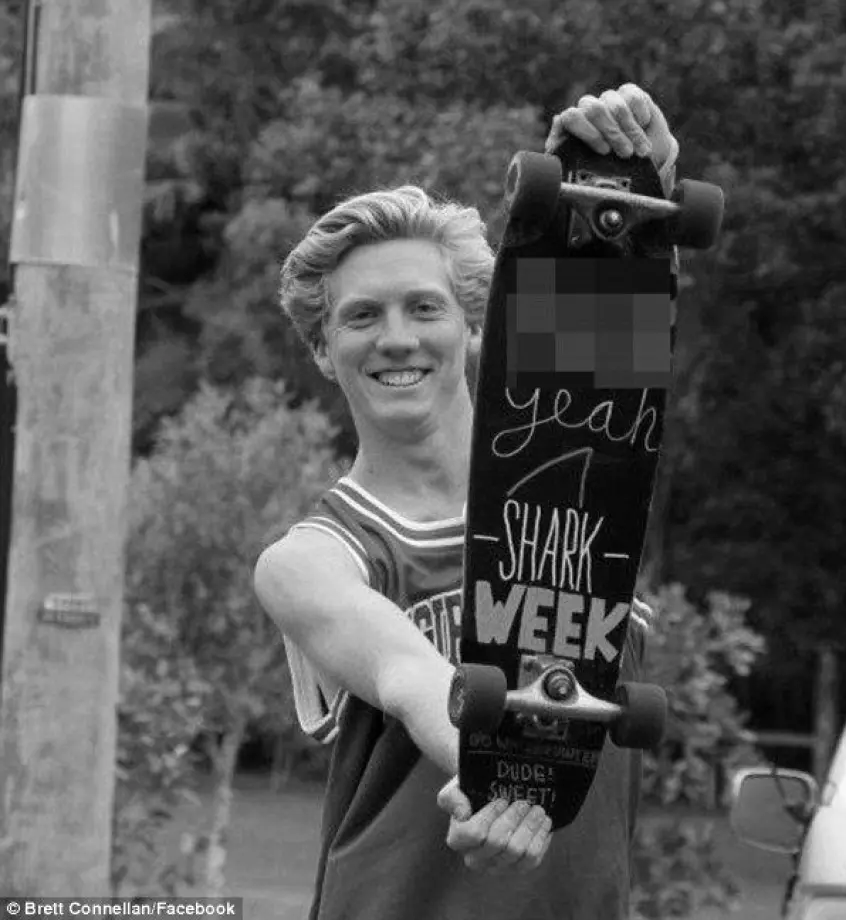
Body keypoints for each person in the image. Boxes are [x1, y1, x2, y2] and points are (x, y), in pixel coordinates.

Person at [254, 83, 679, 920]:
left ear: (473, 325)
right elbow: (413, 677)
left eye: (425, 307)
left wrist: (633, 179)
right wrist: (503, 779)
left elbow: (604, 335)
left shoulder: (588, 493)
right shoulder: (315, 559)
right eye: (360, 317)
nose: (398, 338)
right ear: (321, 349)